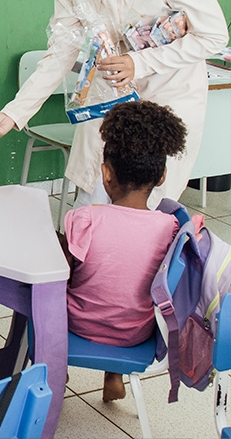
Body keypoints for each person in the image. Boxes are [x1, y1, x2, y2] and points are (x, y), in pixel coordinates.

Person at [0, 0, 228, 208]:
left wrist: (141, 62)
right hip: (107, 104)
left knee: (146, 207)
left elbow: (214, 35)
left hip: (167, 98)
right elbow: (60, 53)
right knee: (93, 197)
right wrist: (14, 113)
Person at [61, 101, 185, 402]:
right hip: (135, 334)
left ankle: (55, 369)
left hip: (78, 324)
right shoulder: (169, 227)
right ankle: (114, 375)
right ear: (162, 176)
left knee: (43, 289)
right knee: (124, 281)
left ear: (105, 175)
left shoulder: (85, 219)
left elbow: (65, 273)